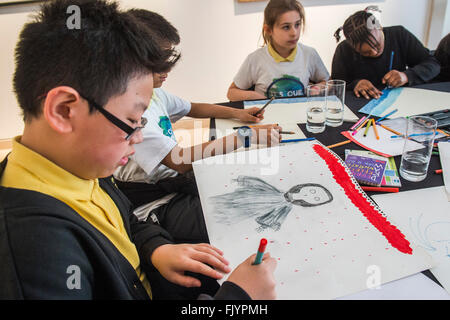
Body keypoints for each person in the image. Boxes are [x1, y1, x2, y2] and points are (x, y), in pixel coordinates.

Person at [0, 0, 277, 300]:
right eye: (132, 121)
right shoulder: (36, 251)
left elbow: (125, 220)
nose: (139, 137)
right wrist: (239, 299)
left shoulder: (82, 167)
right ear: (65, 111)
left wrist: (156, 249)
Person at [114, 10, 281, 245]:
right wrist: (246, 135)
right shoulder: (131, 111)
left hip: (174, 182)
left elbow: (192, 107)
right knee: (238, 218)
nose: (168, 69)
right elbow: (180, 161)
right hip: (155, 203)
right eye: (161, 61)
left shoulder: (155, 93)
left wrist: (238, 114)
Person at [226, 0, 329, 101]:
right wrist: (253, 97)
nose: (294, 32)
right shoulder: (255, 59)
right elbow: (231, 93)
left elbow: (328, 81)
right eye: (286, 27)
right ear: (269, 30)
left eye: (297, 25)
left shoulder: (309, 54)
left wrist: (318, 88)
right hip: (268, 116)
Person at [331, 6, 440, 99]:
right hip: (360, 106)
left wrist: (406, 76)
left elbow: (432, 64)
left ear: (380, 27)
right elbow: (336, 85)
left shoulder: (399, 35)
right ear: (352, 46)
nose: (374, 53)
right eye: (366, 53)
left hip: (399, 101)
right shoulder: (343, 50)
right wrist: (356, 84)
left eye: (377, 45)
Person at [210, 176, 333, 232]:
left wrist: (265, 225)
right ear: (305, 186)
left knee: (226, 216)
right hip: (244, 197)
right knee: (223, 202)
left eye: (316, 198)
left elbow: (278, 217)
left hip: (252, 210)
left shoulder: (287, 207)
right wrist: (242, 180)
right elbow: (260, 184)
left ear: (312, 204)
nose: (311, 195)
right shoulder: (276, 191)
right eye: (313, 191)